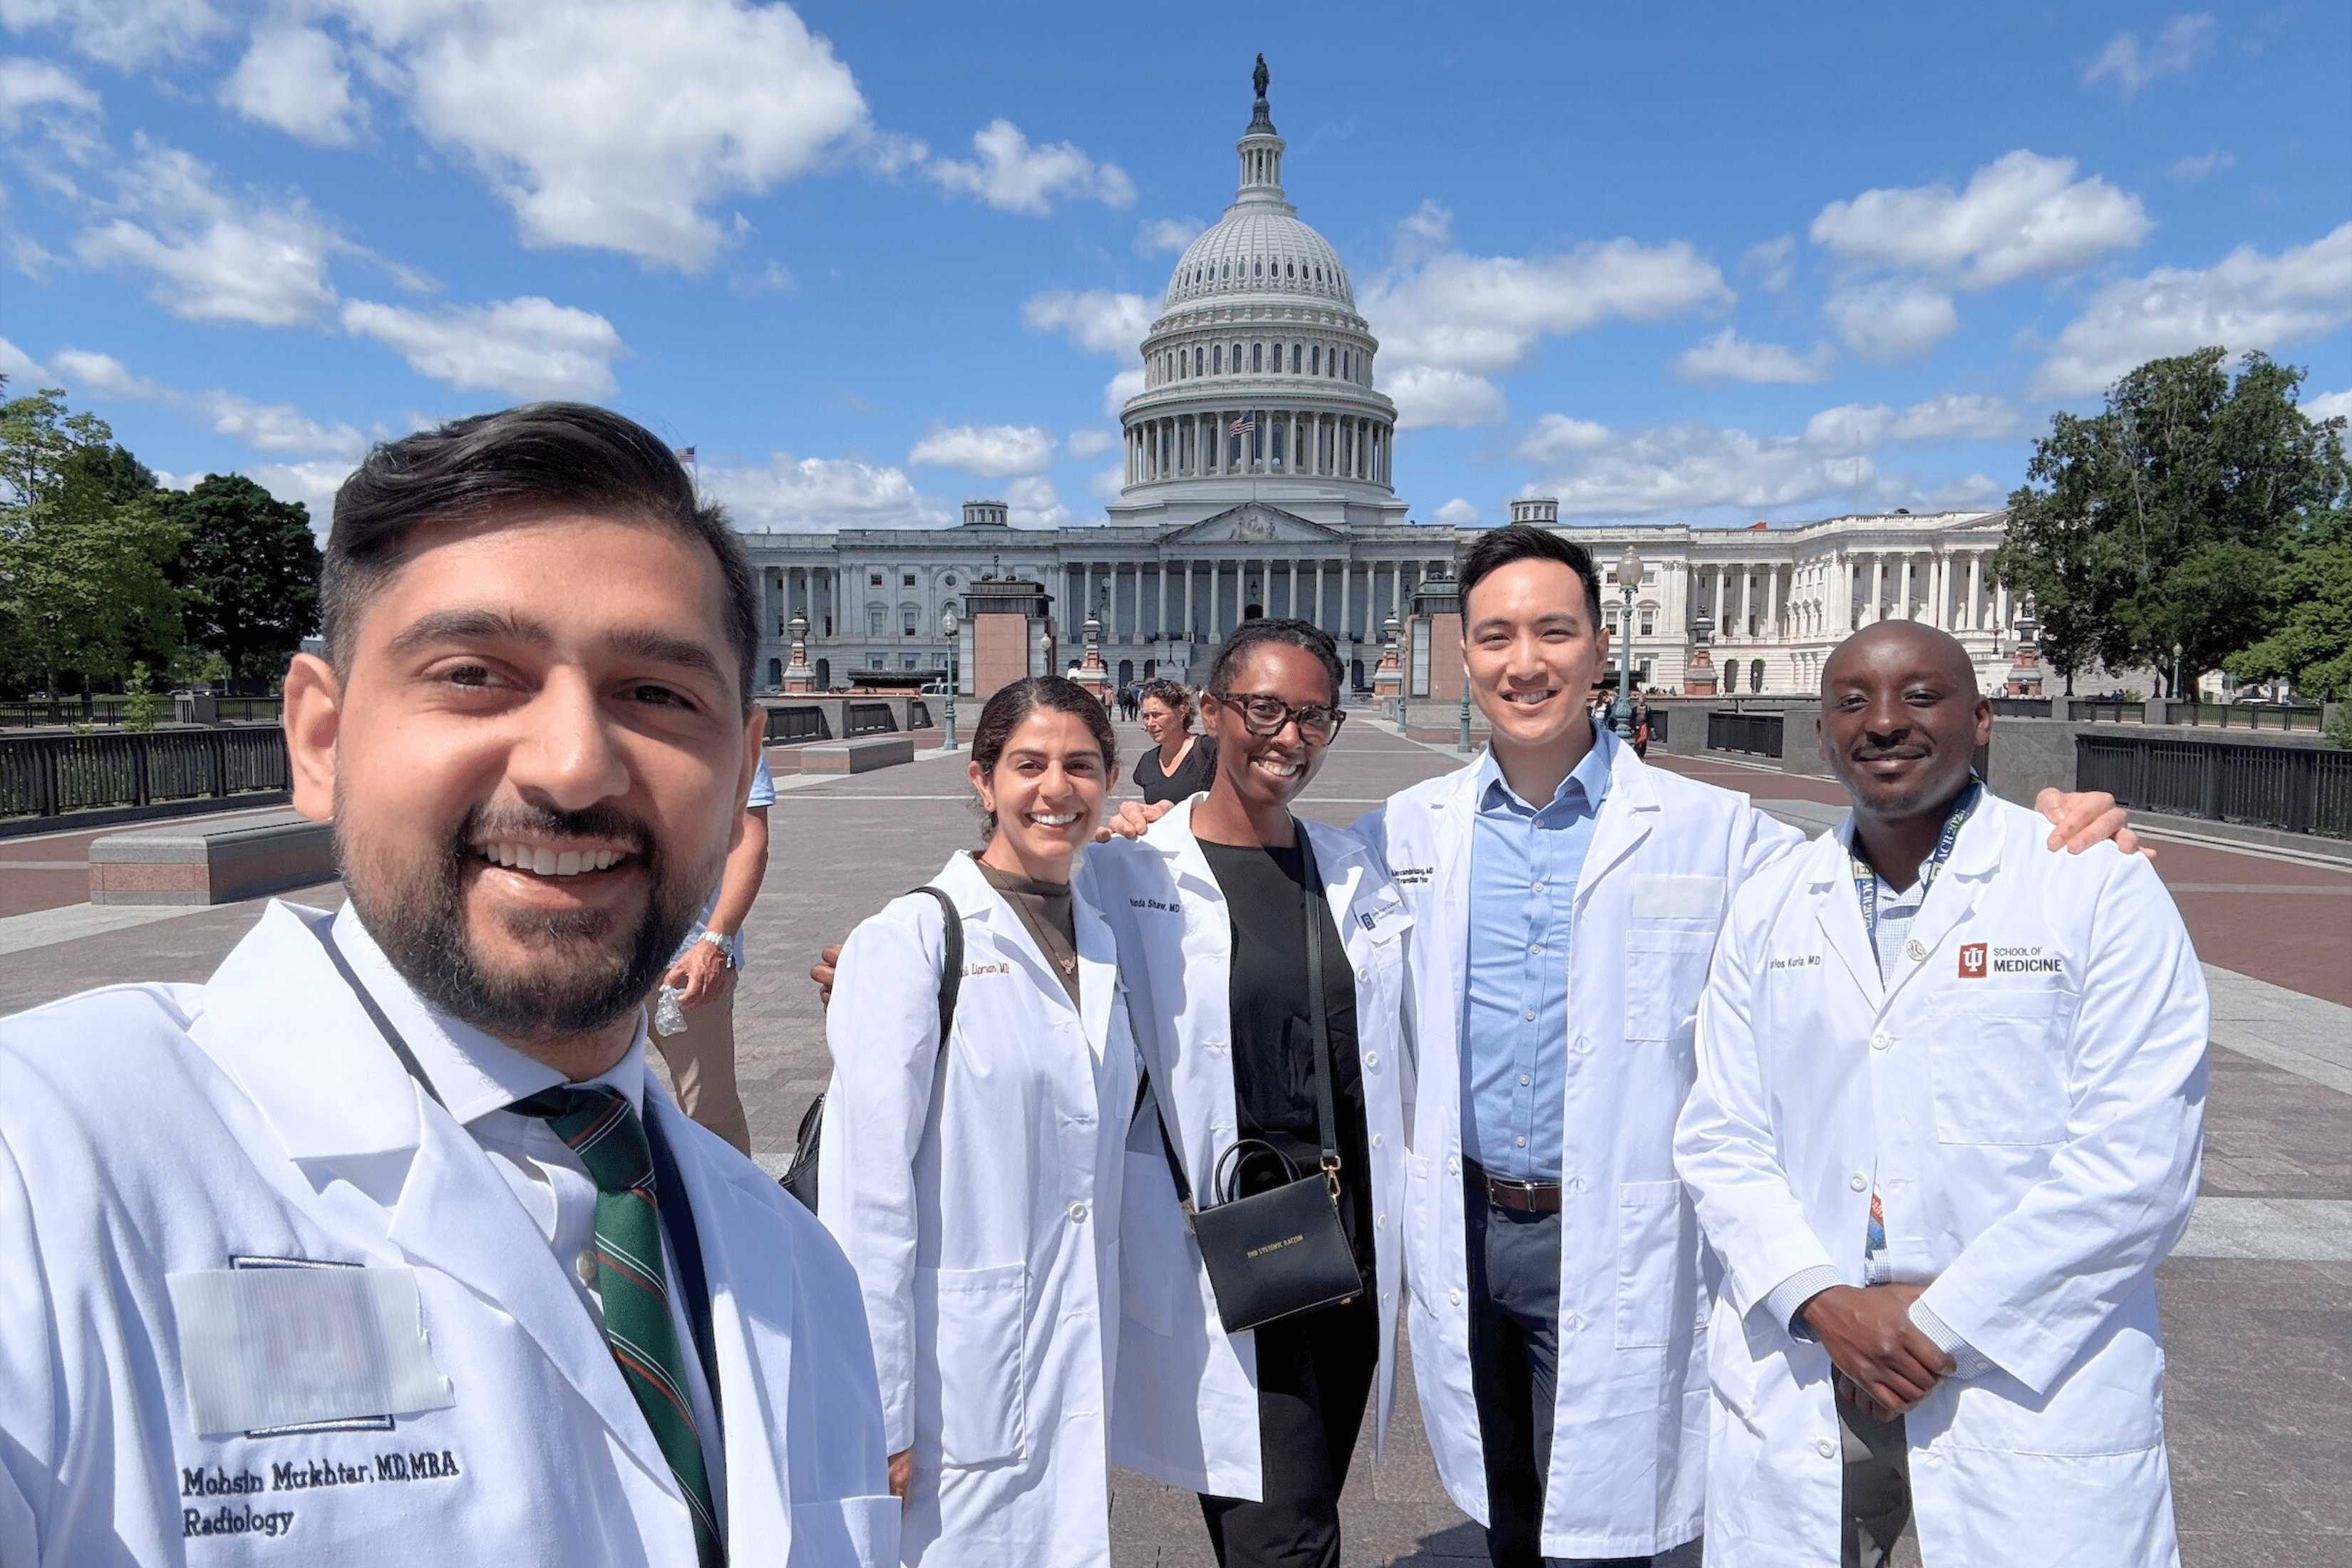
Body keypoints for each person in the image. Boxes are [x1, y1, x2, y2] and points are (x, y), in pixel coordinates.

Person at [0, 404, 895, 1566]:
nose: (573, 765)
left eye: (657, 694)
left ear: (739, 776)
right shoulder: (45, 1167)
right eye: (476, 675)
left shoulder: (797, 1270)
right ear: (318, 737)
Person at [1349, 525, 2137, 1567]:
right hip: (1470, 1223)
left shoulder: (1724, 834)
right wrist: (1139, 843)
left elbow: (1888, 886)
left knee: (1621, 1524)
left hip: (1635, 1233)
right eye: (1495, 636)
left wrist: (2039, 836)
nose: (1523, 661)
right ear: (1468, 652)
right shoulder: (1395, 836)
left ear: (1598, 648)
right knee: (1511, 1507)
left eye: (1553, 630)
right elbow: (1246, 879)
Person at [1673, 620, 2207, 1567]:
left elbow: (2138, 1161)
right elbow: (1722, 1132)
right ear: (1822, 730)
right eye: (1852, 702)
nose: (1884, 722)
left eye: (1921, 696)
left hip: (2024, 1359)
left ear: (1984, 717)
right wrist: (1821, 1301)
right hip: (1814, 1352)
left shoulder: (2094, 885)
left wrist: (1940, 1322)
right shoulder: (1772, 895)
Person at [1090, 619, 1414, 1568]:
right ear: (1216, 708)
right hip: (1233, 1250)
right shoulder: (1130, 872)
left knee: (1297, 1507)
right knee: (1285, 1532)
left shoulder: (1356, 867)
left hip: (1343, 1248)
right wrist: (881, 961)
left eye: (1313, 716)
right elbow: (1016, 931)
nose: (1288, 736)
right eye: (1264, 709)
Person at [817, 676, 1143, 1568]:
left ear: (1111, 779)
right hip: (948, 1379)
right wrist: (876, 1409)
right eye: (1028, 764)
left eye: (1080, 766)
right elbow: (867, 1196)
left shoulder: (1106, 929)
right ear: (981, 778)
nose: (1056, 789)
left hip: (1067, 1341)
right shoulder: (913, 938)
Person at [655, 751, 775, 1153]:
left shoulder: (730, 720)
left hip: (682, 955)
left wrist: (715, 940)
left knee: (710, 1113)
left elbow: (748, 839)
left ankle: (731, 1214)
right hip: (582, 949)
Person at [1133, 679, 1219, 805]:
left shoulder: (1209, 750)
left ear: (1181, 712)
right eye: (1146, 716)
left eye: (1156, 715)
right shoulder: (1147, 762)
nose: (1150, 724)